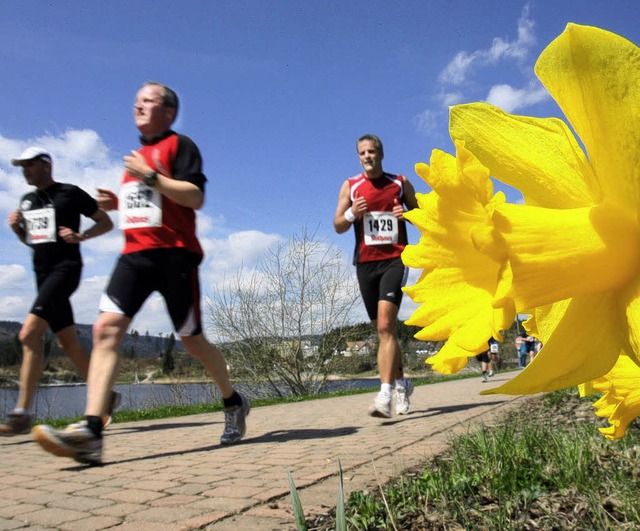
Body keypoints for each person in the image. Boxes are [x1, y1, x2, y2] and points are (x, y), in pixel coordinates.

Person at [32, 82, 250, 465]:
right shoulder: (137, 156)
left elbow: (194, 197)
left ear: (168, 111)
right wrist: (117, 202)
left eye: (147, 100)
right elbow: (150, 203)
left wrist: (149, 177)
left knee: (193, 343)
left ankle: (232, 400)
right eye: (136, 100)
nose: (137, 105)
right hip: (133, 256)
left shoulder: (180, 146)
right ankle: (92, 432)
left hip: (175, 257)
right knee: (105, 329)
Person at [1, 147, 115, 436]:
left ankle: (21, 413)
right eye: (21, 166)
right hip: (41, 274)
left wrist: (81, 236)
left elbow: (105, 221)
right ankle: (107, 397)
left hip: (66, 270)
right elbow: (34, 241)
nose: (24, 170)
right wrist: (17, 231)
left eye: (28, 164)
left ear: (45, 165)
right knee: (68, 344)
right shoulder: (27, 201)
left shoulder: (69, 192)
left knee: (28, 334)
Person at [334, 134, 418, 418]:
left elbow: (423, 214)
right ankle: (402, 384)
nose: (367, 156)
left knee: (384, 326)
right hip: (365, 264)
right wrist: (351, 214)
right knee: (385, 332)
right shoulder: (351, 185)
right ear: (359, 157)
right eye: (362, 153)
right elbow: (337, 225)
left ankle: (385, 395)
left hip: (394, 260)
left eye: (371, 151)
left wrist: (406, 214)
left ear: (381, 154)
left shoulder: (399, 183)